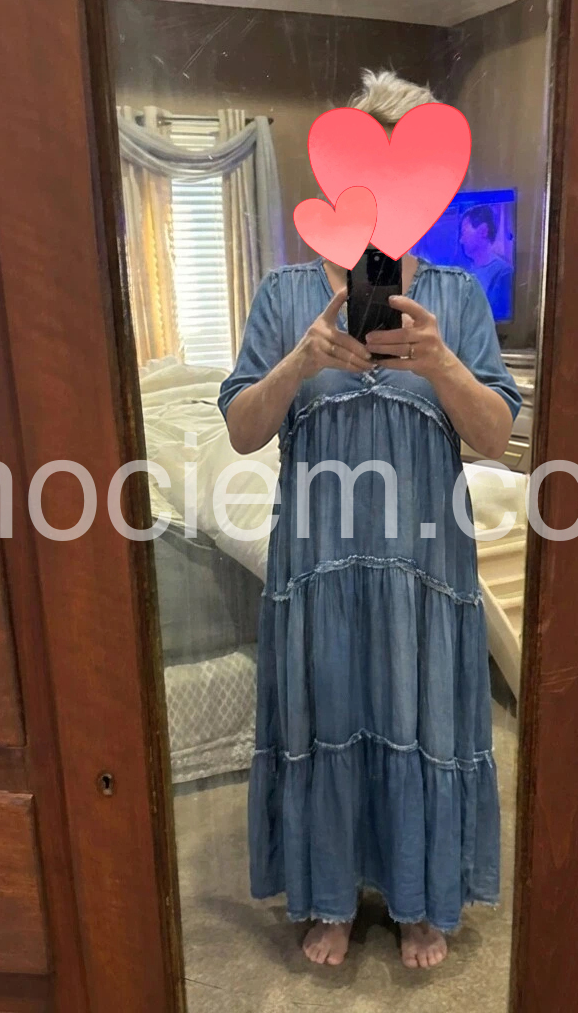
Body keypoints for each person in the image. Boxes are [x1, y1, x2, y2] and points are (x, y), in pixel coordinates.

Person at [218, 69, 522, 970]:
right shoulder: (284, 295)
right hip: (319, 564)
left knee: (429, 721)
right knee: (326, 717)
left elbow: (497, 437)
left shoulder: (456, 299)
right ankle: (332, 897)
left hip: (425, 565)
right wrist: (300, 358)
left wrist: (441, 363)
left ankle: (423, 900)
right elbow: (242, 430)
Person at [459, 205, 513, 321]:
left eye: (464, 232)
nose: (461, 240)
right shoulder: (466, 272)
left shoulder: (503, 273)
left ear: (483, 231)